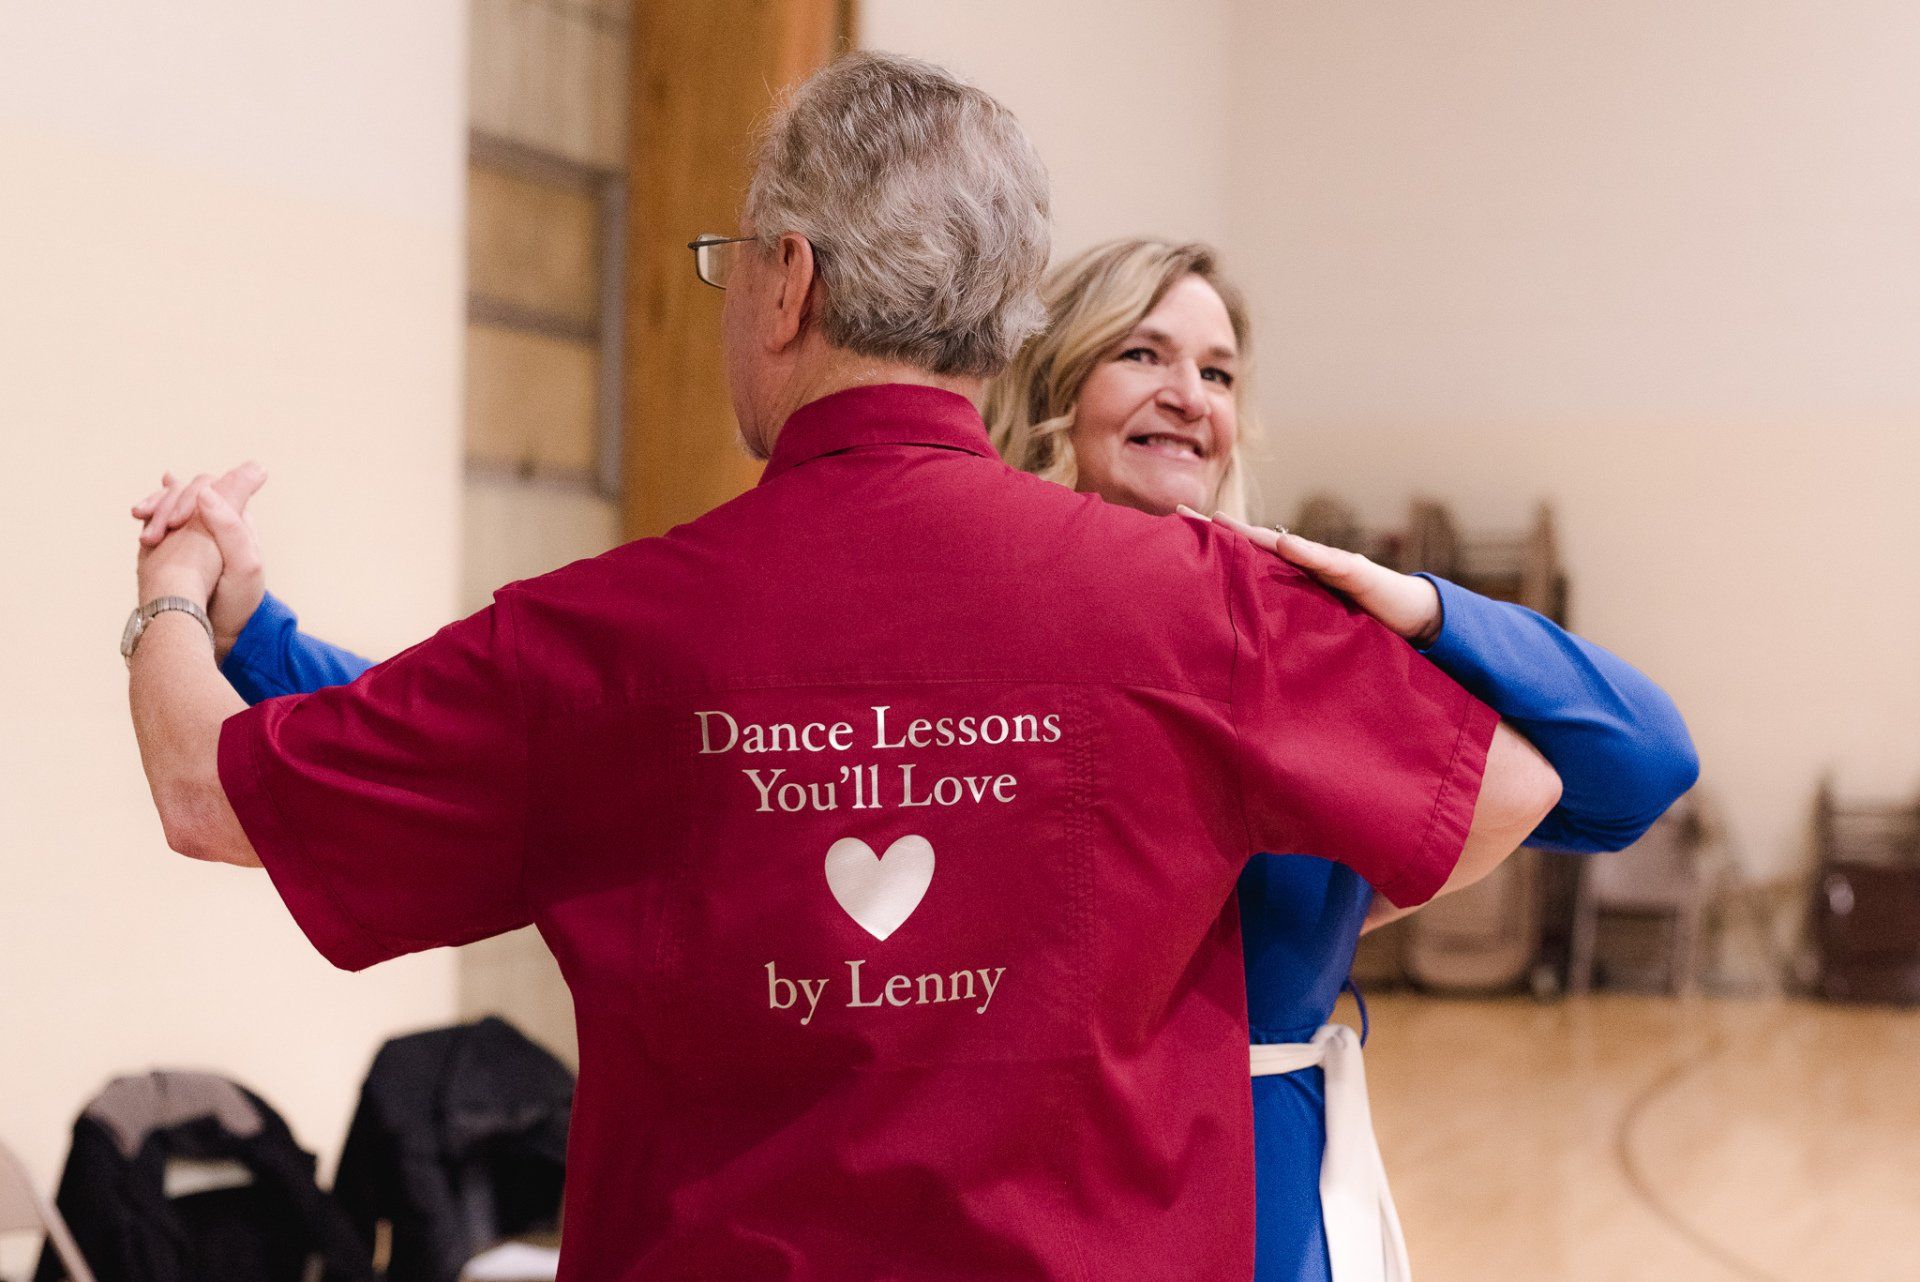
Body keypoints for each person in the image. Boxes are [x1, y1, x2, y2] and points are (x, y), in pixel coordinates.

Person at [124, 52, 1563, 1281]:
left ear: (788, 282)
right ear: (1001, 324)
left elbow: (205, 790)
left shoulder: (607, 635)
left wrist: (178, 592)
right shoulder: (1203, 606)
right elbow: (1505, 782)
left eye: (732, 257)